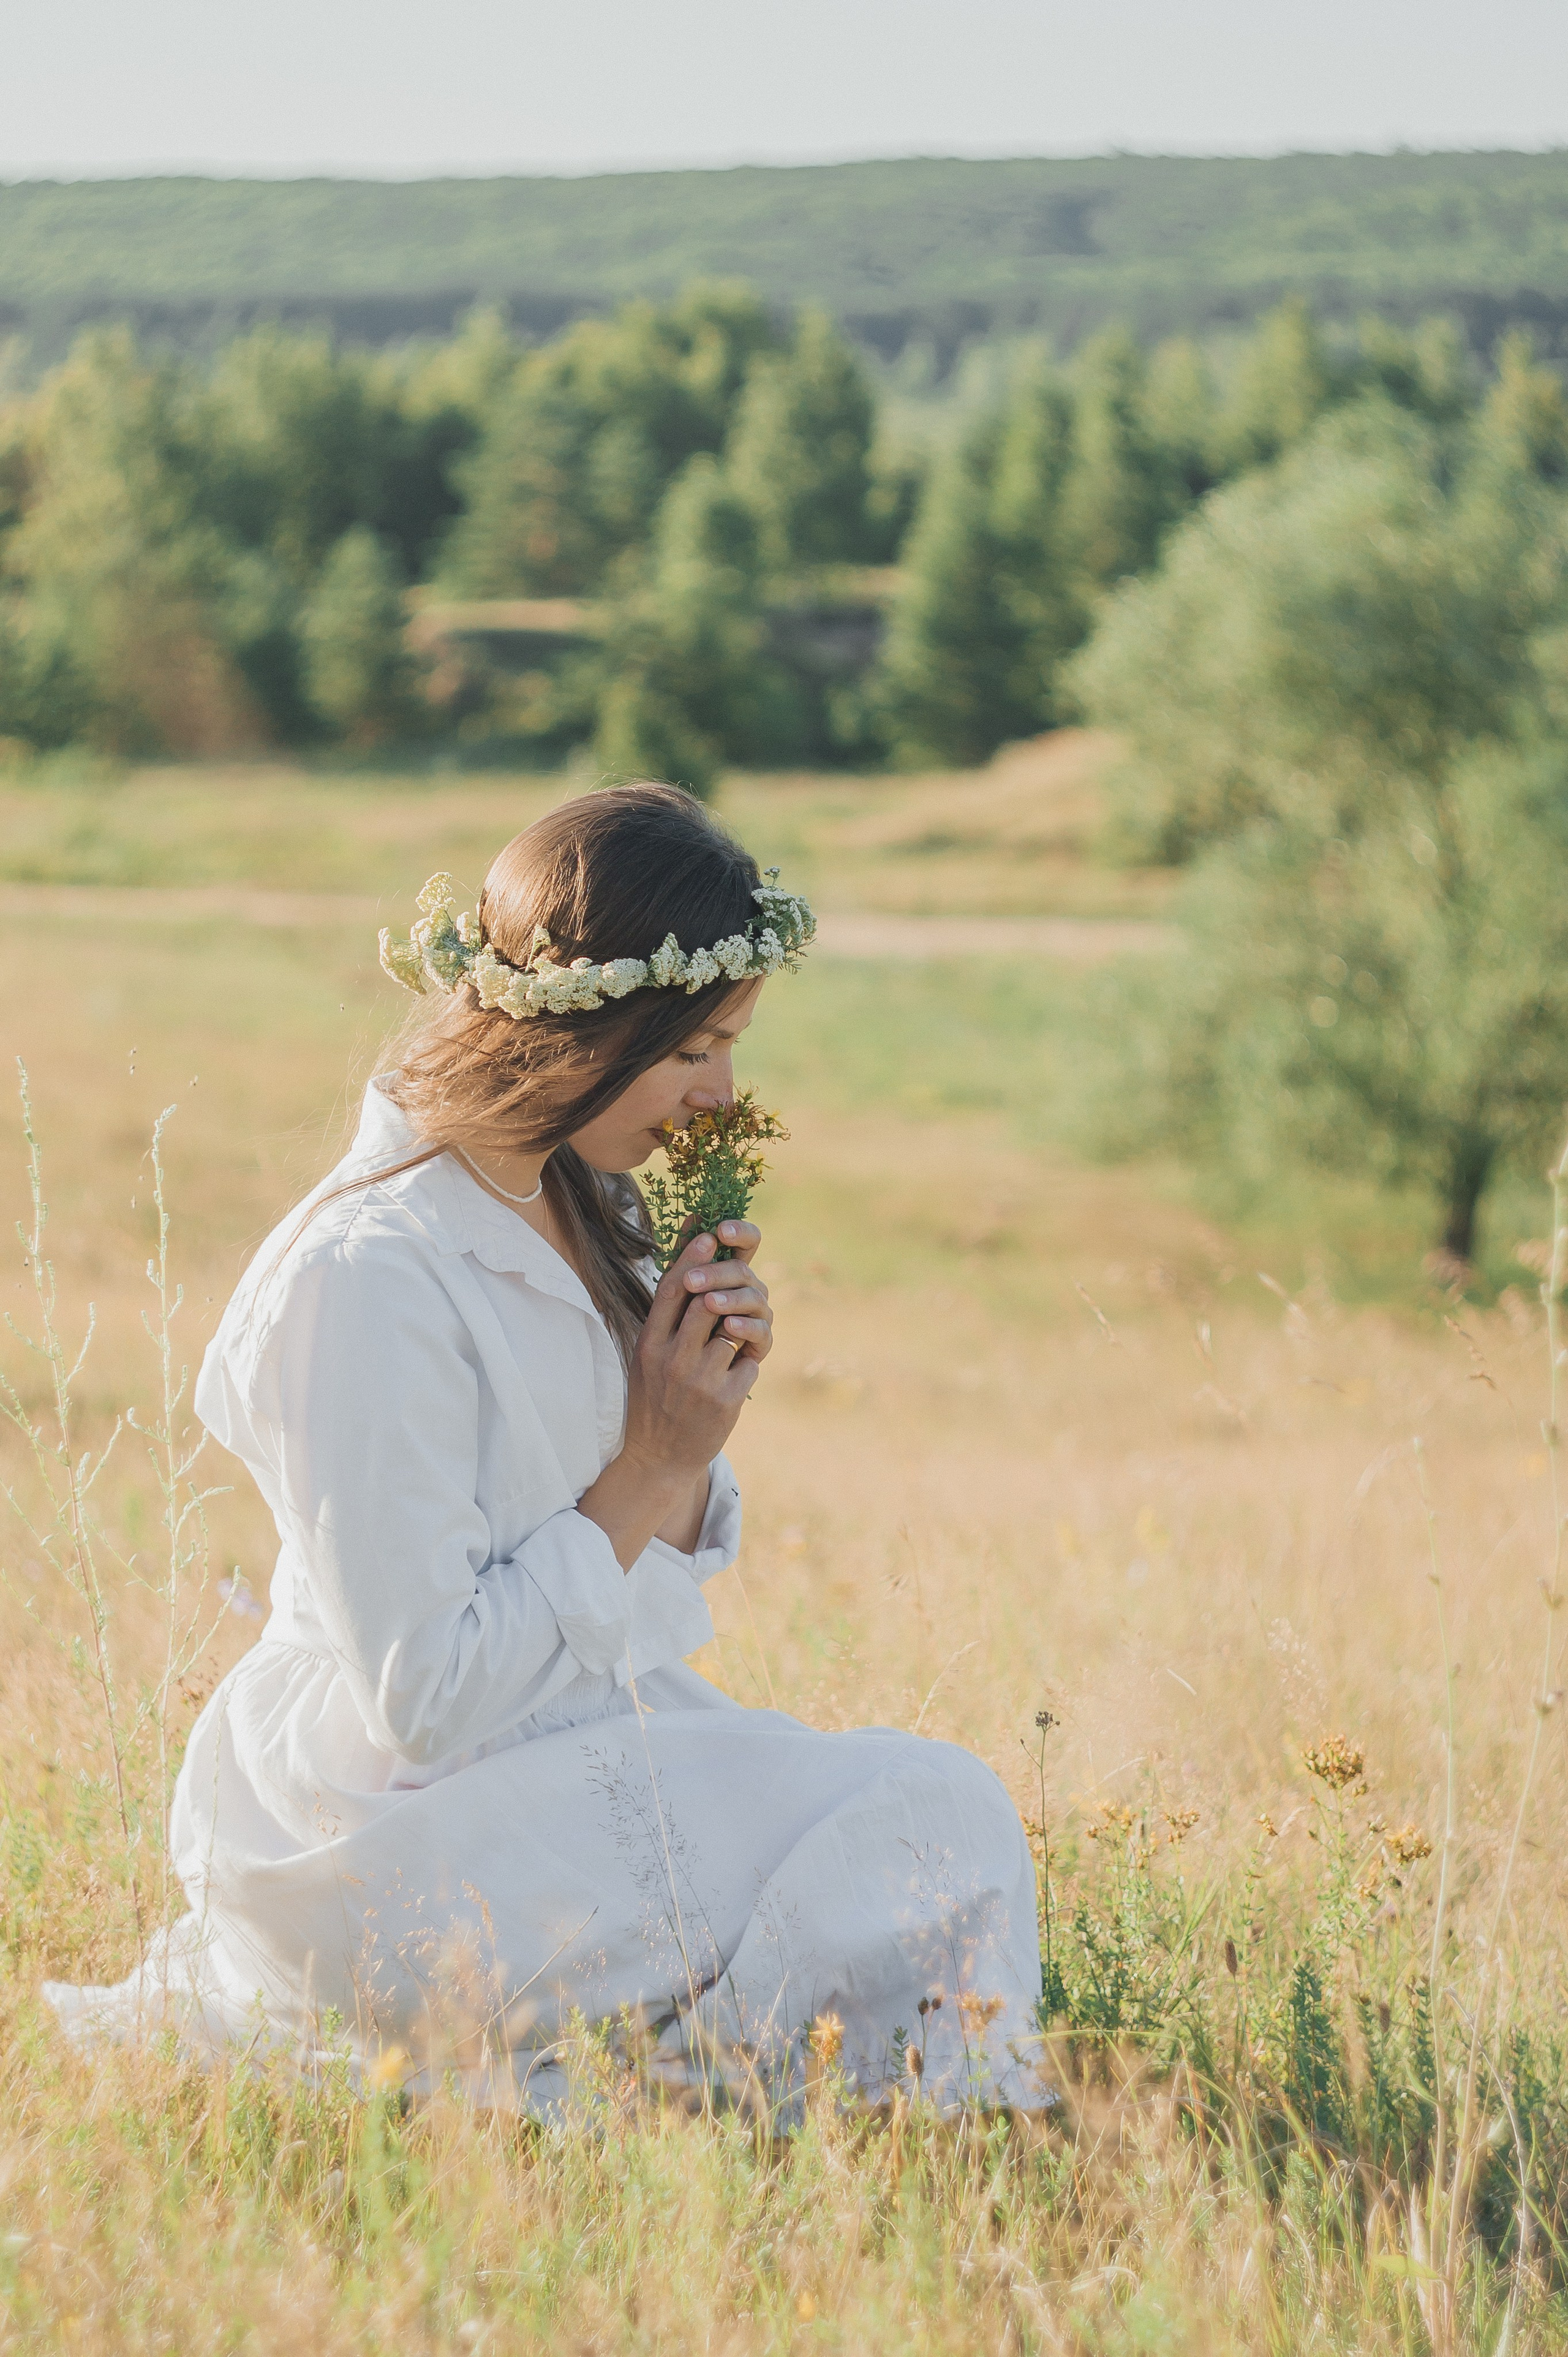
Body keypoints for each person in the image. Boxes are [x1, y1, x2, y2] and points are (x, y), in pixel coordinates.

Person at [45, 785, 1045, 2116]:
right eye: (694, 1049)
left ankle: (792, 2101)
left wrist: (693, 1411)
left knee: (924, 1818)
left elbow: (646, 1553)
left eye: (732, 1047)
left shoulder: (583, 1198)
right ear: (589, 1024)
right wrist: (652, 1461)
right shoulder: (367, 1277)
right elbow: (425, 1693)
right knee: (930, 1809)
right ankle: (705, 2094)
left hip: (571, 1739)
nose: (720, 1096)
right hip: (391, 1823)